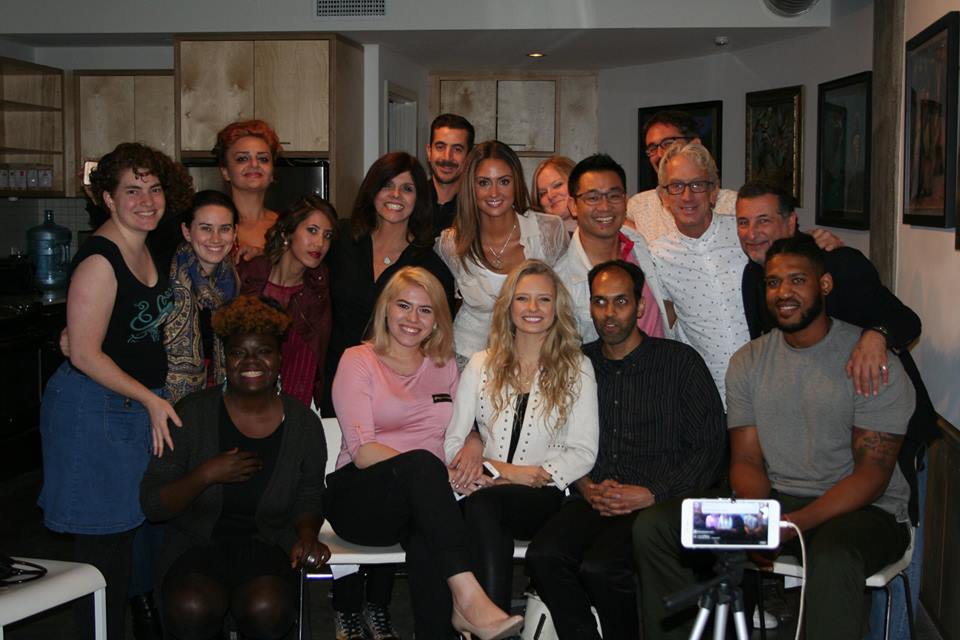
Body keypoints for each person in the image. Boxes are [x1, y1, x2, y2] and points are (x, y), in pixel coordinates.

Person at [633, 235, 915, 640]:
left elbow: (872, 475)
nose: (783, 292)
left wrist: (792, 524)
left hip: (863, 514)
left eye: (797, 280)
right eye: (773, 282)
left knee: (833, 557)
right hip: (779, 506)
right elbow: (746, 459)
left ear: (824, 285)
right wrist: (760, 517)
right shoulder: (748, 361)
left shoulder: (869, 361)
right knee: (658, 527)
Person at [735, 181, 939, 638]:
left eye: (764, 220)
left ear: (792, 222)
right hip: (825, 424)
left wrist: (876, 335)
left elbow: (906, 320)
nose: (752, 232)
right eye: (743, 223)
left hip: (888, 416)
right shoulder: (754, 277)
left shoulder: (840, 262)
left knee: (888, 551)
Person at [37, 142, 192, 639]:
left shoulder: (145, 244)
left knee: (135, 531)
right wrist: (150, 398)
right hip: (94, 409)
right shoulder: (101, 260)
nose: (146, 201)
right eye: (132, 190)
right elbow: (84, 354)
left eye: (154, 189)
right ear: (107, 197)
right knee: (102, 549)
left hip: (130, 404)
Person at [526, 260, 725, 640]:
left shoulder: (679, 362)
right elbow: (555, 435)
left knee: (601, 568)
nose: (609, 313)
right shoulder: (577, 363)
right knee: (543, 556)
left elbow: (709, 448)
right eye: (600, 302)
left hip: (658, 501)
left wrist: (653, 493)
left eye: (620, 301)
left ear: (641, 306)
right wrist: (585, 485)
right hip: (593, 495)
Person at [326, 267, 523, 640]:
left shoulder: (443, 364)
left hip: (424, 500)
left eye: (425, 310)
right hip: (360, 498)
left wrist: (474, 442)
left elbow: (462, 426)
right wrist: (439, 474)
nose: (412, 318)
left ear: (437, 321)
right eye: (403, 306)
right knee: (423, 467)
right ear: (386, 308)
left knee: (429, 542)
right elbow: (363, 452)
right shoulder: (358, 360)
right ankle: (469, 599)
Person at [140, 295, 329, 640]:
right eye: (239, 352)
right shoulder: (192, 413)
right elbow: (153, 504)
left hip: (268, 544)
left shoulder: (303, 424)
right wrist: (206, 474)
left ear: (280, 358)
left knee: (266, 607)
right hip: (196, 544)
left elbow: (310, 494)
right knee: (192, 605)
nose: (251, 361)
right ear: (225, 359)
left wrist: (306, 535)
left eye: (264, 351)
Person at [444, 259, 599, 614]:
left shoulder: (576, 367)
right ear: (508, 306)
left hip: (542, 496)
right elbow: (453, 442)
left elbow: (584, 452)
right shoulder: (480, 364)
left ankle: (486, 620)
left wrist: (534, 476)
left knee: (484, 508)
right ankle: (493, 622)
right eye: (522, 298)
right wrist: (495, 469)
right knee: (483, 509)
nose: (533, 308)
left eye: (544, 299)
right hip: (482, 489)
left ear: (557, 308)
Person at [436, 141, 569, 364]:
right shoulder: (450, 244)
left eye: (504, 181)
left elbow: (566, 302)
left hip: (536, 358)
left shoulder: (549, 231)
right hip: (467, 358)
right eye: (484, 183)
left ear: (516, 182)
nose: (494, 192)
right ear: (471, 187)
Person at [647, 141, 750, 401]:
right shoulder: (657, 255)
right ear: (663, 197)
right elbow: (664, 322)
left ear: (714, 192)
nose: (687, 196)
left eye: (697, 185)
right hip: (706, 394)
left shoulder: (744, 235)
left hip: (764, 383)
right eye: (676, 186)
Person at [552, 153, 670, 342]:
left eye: (614, 196)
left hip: (662, 359)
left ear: (625, 201)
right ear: (573, 206)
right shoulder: (561, 282)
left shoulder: (638, 244)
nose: (605, 206)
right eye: (592, 198)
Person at [237, 196, 336, 410]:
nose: (320, 243)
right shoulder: (248, 273)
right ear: (286, 232)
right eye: (312, 230)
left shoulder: (321, 289)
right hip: (239, 402)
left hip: (294, 407)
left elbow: (308, 365)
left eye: (327, 235)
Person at [165, 190, 240, 403]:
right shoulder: (163, 279)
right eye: (206, 228)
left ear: (235, 233)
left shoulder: (236, 281)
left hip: (218, 398)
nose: (216, 238)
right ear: (187, 231)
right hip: (163, 400)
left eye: (224, 229)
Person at [625, 110, 737, 243]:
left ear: (695, 145)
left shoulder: (733, 206)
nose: (660, 154)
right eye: (653, 148)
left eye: (668, 143)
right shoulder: (638, 206)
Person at [213, 119, 282, 262]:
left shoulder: (288, 227)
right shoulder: (210, 226)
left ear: (272, 172)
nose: (254, 164)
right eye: (242, 159)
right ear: (225, 172)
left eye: (263, 159)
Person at [426, 113, 475, 236]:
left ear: (469, 157)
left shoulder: (477, 208)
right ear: (429, 152)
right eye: (440, 147)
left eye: (457, 149)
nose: (447, 157)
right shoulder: (410, 202)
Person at [531, 155, 577, 235]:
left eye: (557, 185)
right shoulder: (534, 238)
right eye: (543, 193)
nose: (550, 196)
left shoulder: (598, 232)